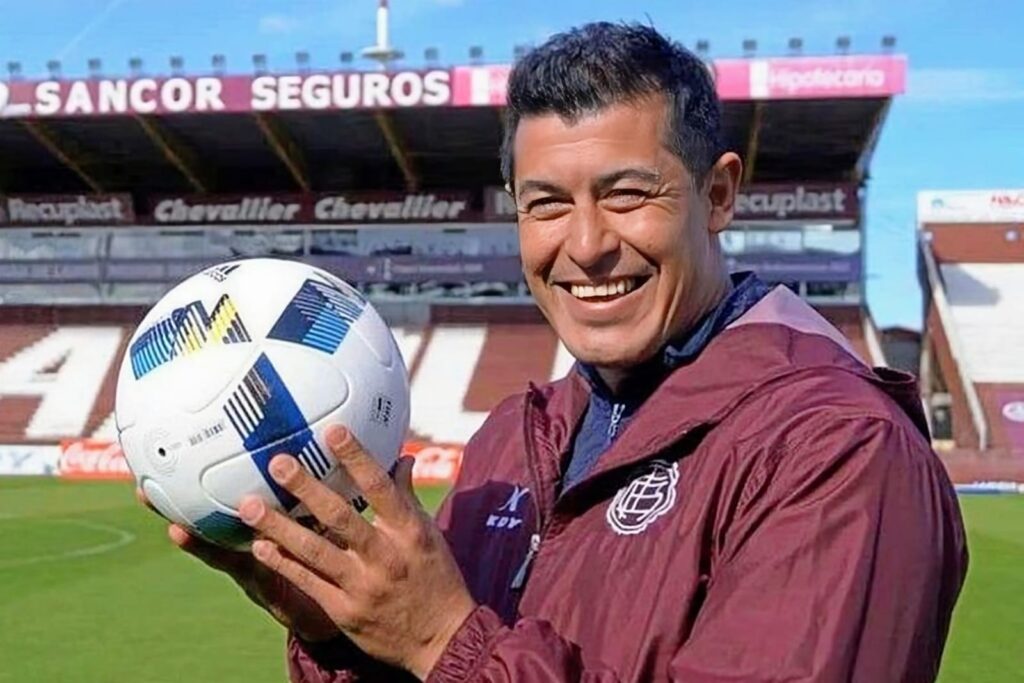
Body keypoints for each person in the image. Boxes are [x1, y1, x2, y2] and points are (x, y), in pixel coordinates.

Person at [160, 22, 968, 682]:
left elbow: (451, 655)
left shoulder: (839, 449)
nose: (585, 245)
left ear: (718, 195)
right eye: (546, 204)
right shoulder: (513, 439)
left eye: (626, 194)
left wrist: (447, 640)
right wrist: (346, 640)